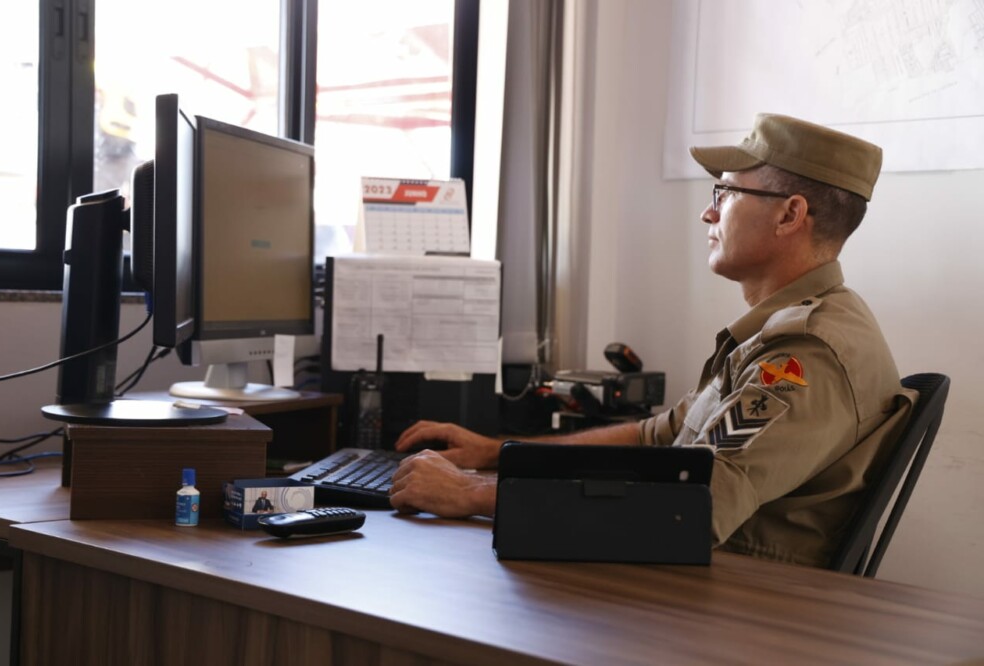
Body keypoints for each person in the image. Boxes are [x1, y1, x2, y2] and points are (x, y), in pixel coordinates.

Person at [387, 113, 917, 568]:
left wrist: (472, 493)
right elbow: (656, 438)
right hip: (695, 577)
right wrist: (498, 455)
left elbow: (689, 509)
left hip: (739, 604)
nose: (709, 212)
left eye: (726, 193)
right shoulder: (776, 334)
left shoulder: (806, 356)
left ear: (789, 214)